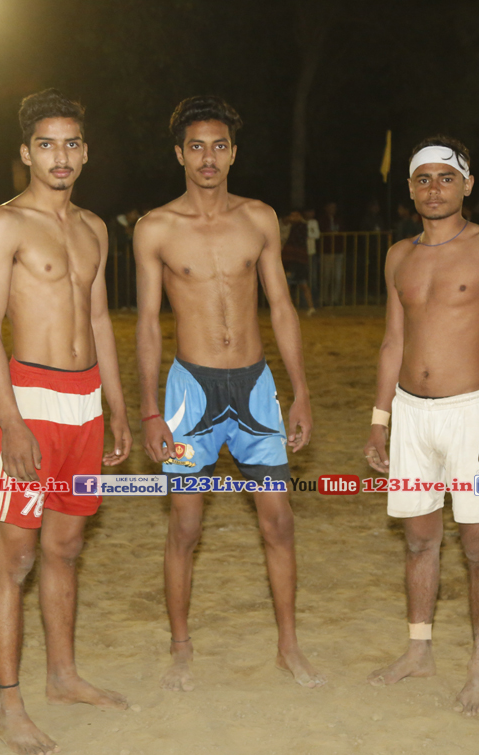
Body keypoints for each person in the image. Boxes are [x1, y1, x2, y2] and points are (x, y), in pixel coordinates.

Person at [135, 95, 323, 693]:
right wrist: (149, 410)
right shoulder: (156, 227)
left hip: (255, 391)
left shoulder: (259, 218)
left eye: (219, 146)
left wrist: (300, 391)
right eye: (196, 147)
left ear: (234, 153)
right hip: (190, 393)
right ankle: (181, 648)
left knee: (279, 522)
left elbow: (282, 306)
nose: (208, 158)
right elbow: (146, 323)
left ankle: (288, 646)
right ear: (179, 155)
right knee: (185, 525)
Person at [0, 89, 132, 755]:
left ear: (85, 152)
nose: (59, 156)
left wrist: (117, 406)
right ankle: (9, 702)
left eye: (70, 143)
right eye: (46, 144)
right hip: (31, 399)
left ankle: (63, 677)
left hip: (85, 401)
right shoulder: (4, 223)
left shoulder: (95, 228)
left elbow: (99, 320)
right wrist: (11, 420)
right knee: (17, 558)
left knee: (66, 549)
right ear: (26, 153)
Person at [363, 136, 479, 717]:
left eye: (446, 177)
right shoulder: (398, 256)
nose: (434, 189)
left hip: (470, 413)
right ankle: (419, 649)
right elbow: (392, 342)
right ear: (410, 188)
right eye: (423, 178)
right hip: (410, 414)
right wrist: (379, 420)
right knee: (418, 539)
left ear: (467, 184)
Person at [282, 210, 316, 314]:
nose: (293, 217)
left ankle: (310, 307)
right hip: (291, 260)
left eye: (295, 215)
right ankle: (290, 308)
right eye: (291, 215)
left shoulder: (302, 227)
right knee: (289, 284)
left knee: (302, 284)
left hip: (298, 260)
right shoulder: (289, 226)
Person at [318, 201, 345, 305]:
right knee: (326, 276)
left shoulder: (339, 220)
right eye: (331, 207)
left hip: (338, 251)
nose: (333, 209)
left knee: (337, 277)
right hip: (327, 251)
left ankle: (335, 299)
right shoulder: (322, 220)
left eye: (334, 207)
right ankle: (324, 298)